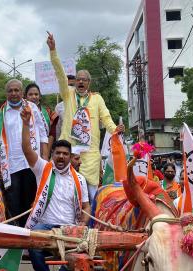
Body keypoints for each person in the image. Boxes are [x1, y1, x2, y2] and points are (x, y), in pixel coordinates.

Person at [21, 105, 103, 271]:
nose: (61, 157)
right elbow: (27, 150)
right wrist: (25, 124)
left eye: (65, 154)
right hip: (44, 225)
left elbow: (86, 206)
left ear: (69, 157)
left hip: (69, 228)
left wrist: (84, 223)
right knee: (34, 249)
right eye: (57, 153)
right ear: (53, 155)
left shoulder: (80, 179)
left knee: (84, 255)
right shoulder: (43, 169)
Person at [47, 32, 124, 203]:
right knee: (68, 193)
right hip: (70, 149)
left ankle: (89, 225)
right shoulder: (68, 95)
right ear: (74, 82)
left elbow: (106, 117)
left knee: (90, 195)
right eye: (78, 79)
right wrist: (53, 52)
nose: (81, 82)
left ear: (89, 83)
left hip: (90, 154)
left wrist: (114, 130)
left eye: (84, 80)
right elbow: (60, 74)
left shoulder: (97, 98)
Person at [0, 79, 48, 226]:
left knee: (31, 200)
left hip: (32, 162)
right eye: (10, 91)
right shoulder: (2, 113)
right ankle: (18, 238)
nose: (14, 93)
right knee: (14, 202)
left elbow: (43, 134)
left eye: (16, 90)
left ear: (22, 92)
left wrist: (45, 158)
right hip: (11, 165)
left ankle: (32, 234)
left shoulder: (32, 108)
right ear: (6, 93)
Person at [25, 83, 56, 156]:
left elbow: (51, 134)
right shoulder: (21, 111)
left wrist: (46, 153)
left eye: (36, 94)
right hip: (27, 148)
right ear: (25, 96)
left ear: (40, 96)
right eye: (30, 94)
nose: (34, 97)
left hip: (44, 149)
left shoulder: (47, 112)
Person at [54, 74, 76, 140]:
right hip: (65, 144)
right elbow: (57, 129)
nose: (69, 88)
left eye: (72, 85)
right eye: (66, 86)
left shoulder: (86, 103)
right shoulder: (59, 107)